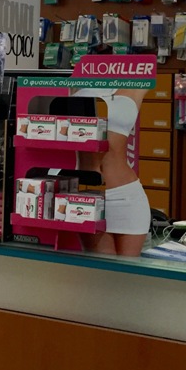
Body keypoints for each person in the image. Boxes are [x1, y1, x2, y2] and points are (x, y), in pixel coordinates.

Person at [71, 87, 153, 257]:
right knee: (100, 270)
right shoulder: (77, 82)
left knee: (127, 271)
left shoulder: (135, 84)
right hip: (88, 196)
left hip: (127, 195)